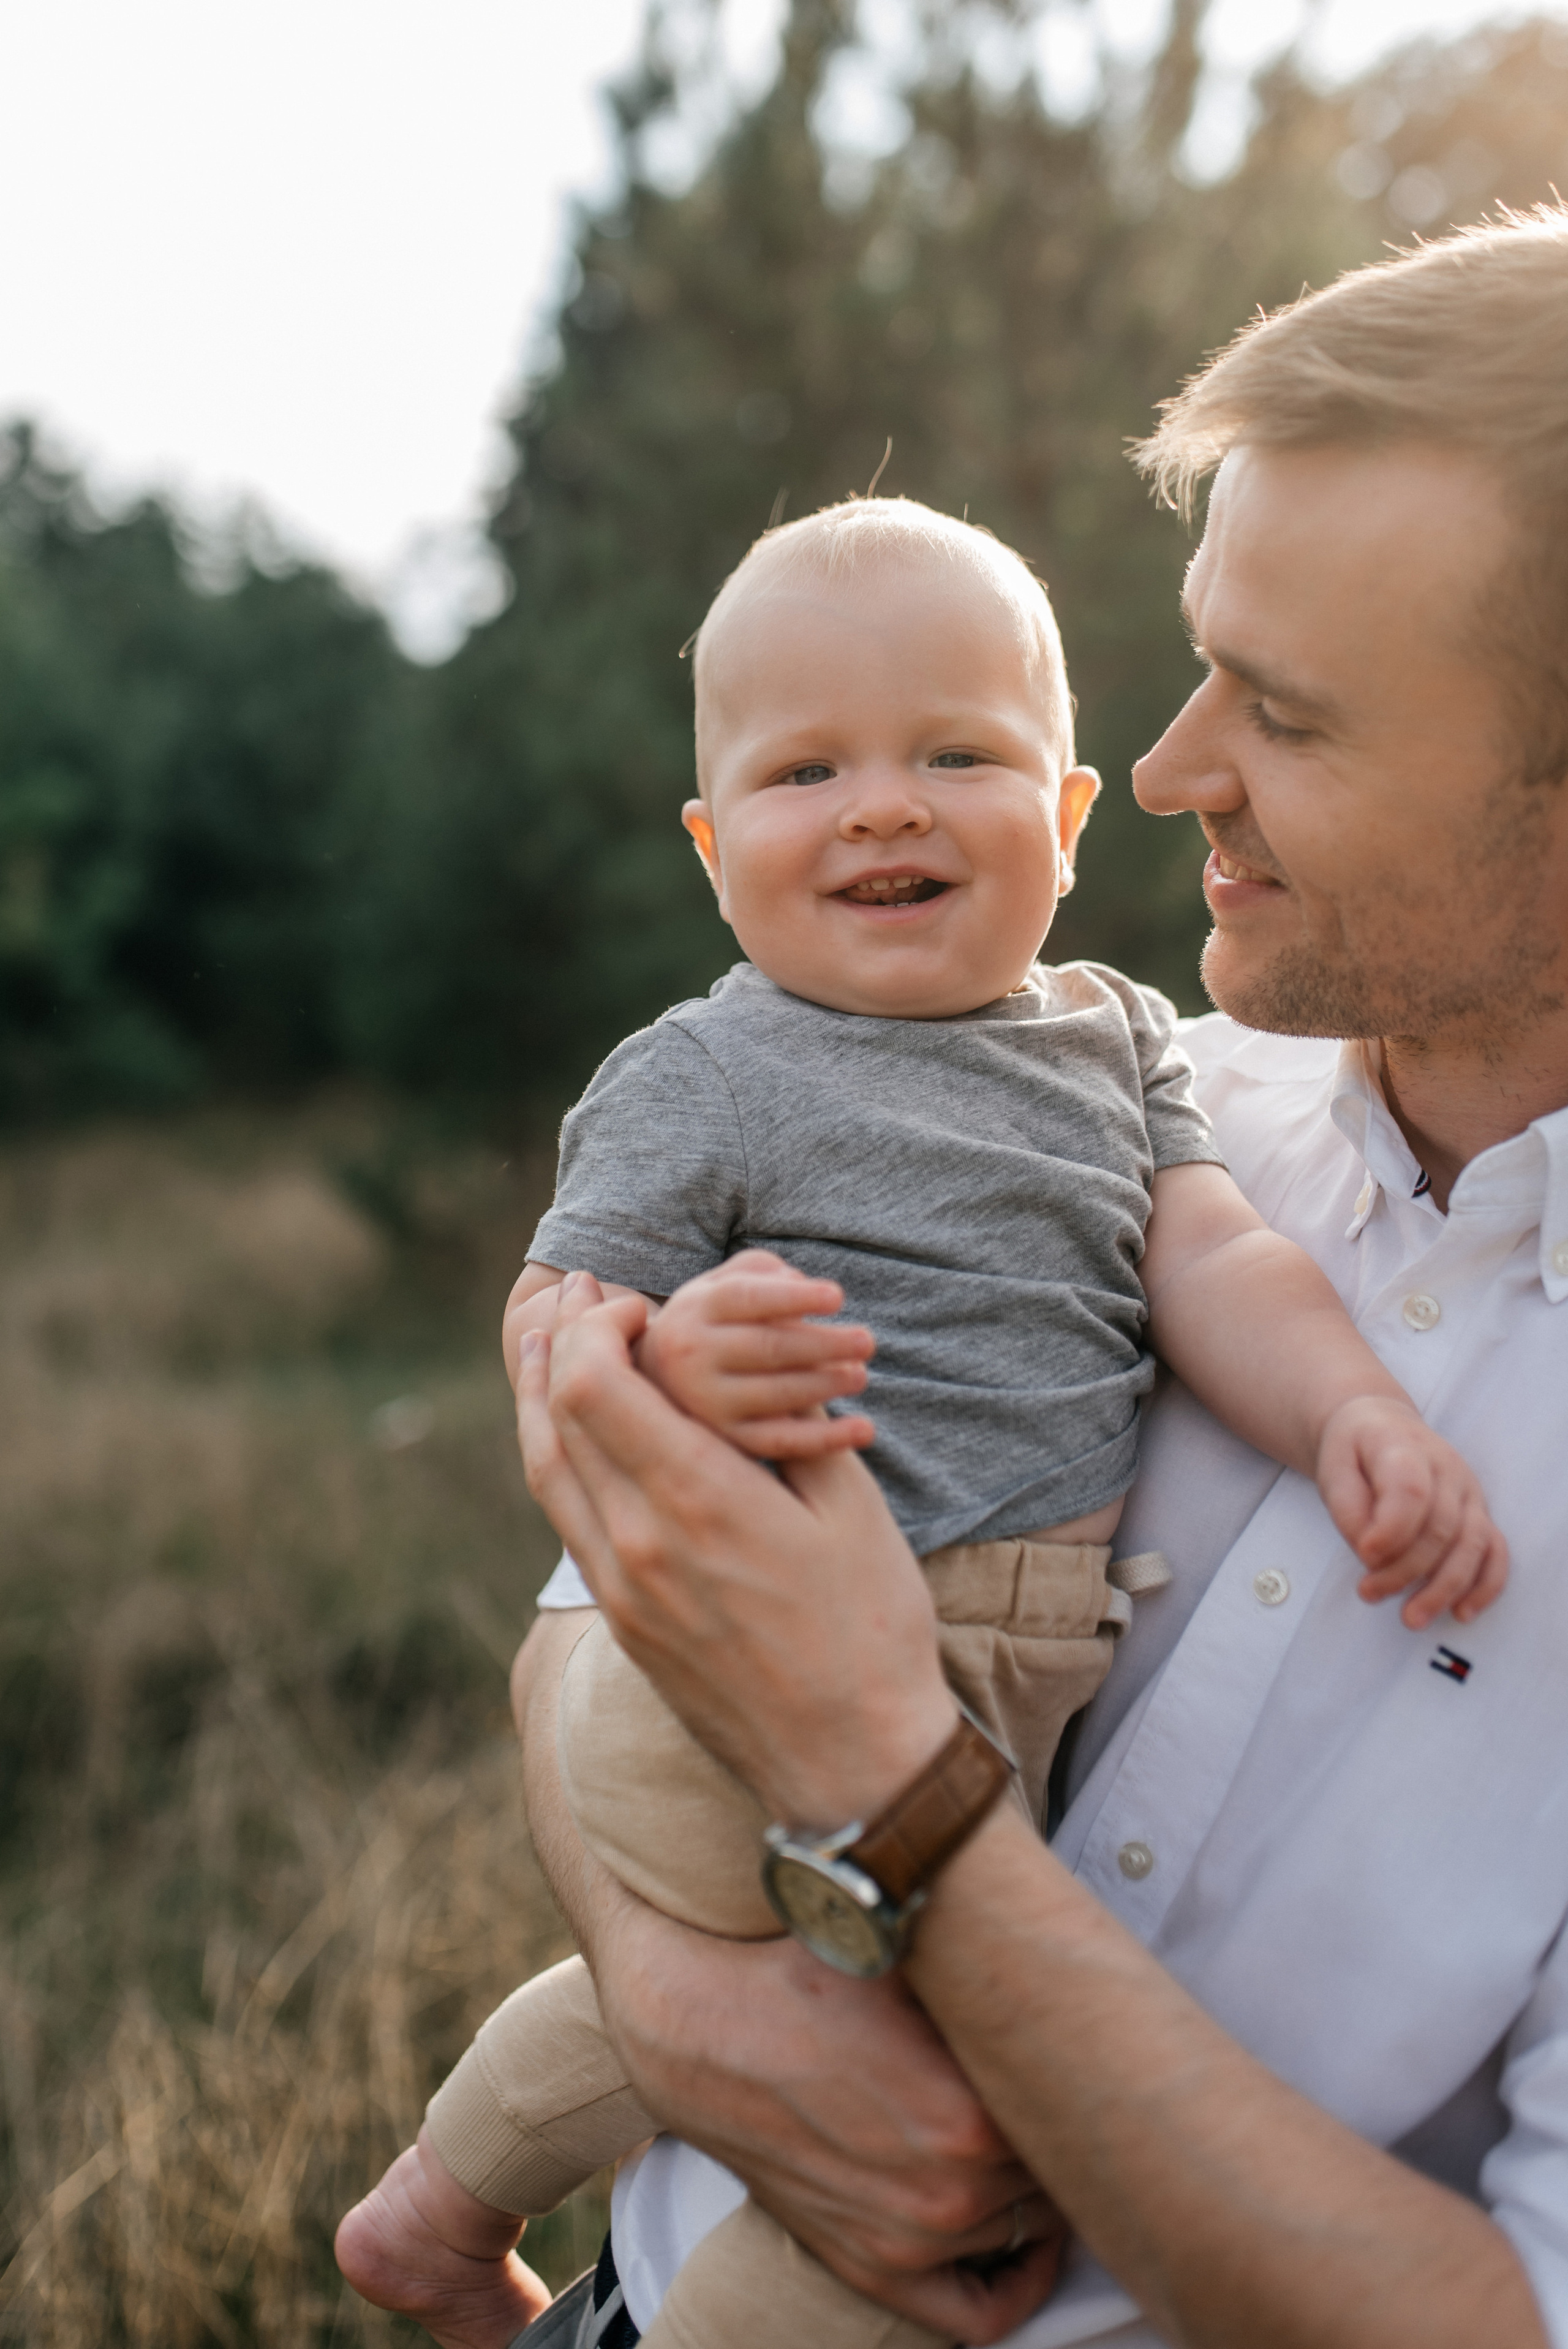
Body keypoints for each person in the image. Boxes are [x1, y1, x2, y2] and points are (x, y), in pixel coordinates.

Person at [382, 206, 1568, 2348]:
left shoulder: (1107, 1101)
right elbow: (599, 1608)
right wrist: (691, 1991)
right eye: (1196, 657)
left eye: (1285, 713)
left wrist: (898, 1799)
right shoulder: (1133, 1098)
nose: (1180, 765)